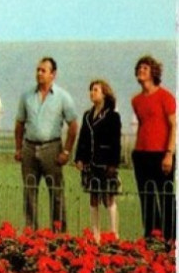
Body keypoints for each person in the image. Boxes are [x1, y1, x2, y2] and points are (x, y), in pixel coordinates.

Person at [14, 57, 78, 231]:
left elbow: (73, 125)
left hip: (52, 148)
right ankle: (31, 233)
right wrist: (18, 148)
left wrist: (66, 151)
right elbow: (19, 123)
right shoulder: (26, 96)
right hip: (29, 148)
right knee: (29, 192)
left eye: (43, 70)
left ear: (53, 74)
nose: (39, 73)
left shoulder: (63, 97)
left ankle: (58, 234)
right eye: (38, 70)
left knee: (56, 193)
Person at [131, 55, 176, 245]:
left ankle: (171, 237)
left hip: (161, 154)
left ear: (153, 73)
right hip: (141, 154)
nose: (141, 70)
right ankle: (151, 235)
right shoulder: (136, 100)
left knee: (165, 196)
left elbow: (174, 126)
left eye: (145, 68)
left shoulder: (166, 96)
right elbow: (143, 124)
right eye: (139, 68)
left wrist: (169, 154)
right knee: (146, 196)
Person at [74, 80, 122, 242]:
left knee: (109, 198)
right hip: (90, 163)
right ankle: (96, 236)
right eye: (91, 90)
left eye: (95, 90)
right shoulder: (87, 116)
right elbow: (82, 138)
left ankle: (114, 234)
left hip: (106, 163)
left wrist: (113, 164)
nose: (92, 93)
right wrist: (79, 158)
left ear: (104, 94)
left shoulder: (112, 116)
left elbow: (116, 142)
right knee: (93, 198)